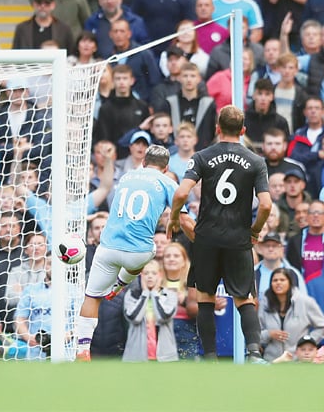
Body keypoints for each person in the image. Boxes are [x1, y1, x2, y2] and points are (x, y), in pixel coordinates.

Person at [168, 105, 273, 363]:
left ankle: (211, 358)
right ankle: (253, 353)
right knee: (244, 298)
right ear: (244, 130)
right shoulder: (256, 161)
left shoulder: (202, 156)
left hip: (207, 238)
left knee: (205, 297)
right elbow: (267, 204)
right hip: (238, 239)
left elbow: (181, 193)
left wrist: (174, 217)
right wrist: (255, 231)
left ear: (217, 128)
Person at [75, 145, 191, 361]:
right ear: (165, 168)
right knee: (151, 252)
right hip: (139, 252)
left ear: (144, 163)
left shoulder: (128, 176)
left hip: (108, 248)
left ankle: (82, 348)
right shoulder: (168, 182)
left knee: (91, 297)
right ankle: (119, 284)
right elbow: (183, 219)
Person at [258, 267, 324, 362]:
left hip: (298, 361)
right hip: (272, 361)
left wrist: (307, 342)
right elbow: (256, 333)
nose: (278, 283)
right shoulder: (265, 304)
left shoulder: (305, 302)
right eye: (275, 280)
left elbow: (322, 326)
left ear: (290, 282)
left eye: (282, 280)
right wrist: (269, 334)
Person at [122, 259, 178, 362]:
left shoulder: (170, 295)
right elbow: (135, 318)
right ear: (141, 276)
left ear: (160, 275)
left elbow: (163, 317)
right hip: (136, 357)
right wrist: (145, 293)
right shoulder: (132, 295)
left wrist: (154, 294)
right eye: (146, 273)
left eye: (154, 273)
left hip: (165, 357)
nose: (150, 276)